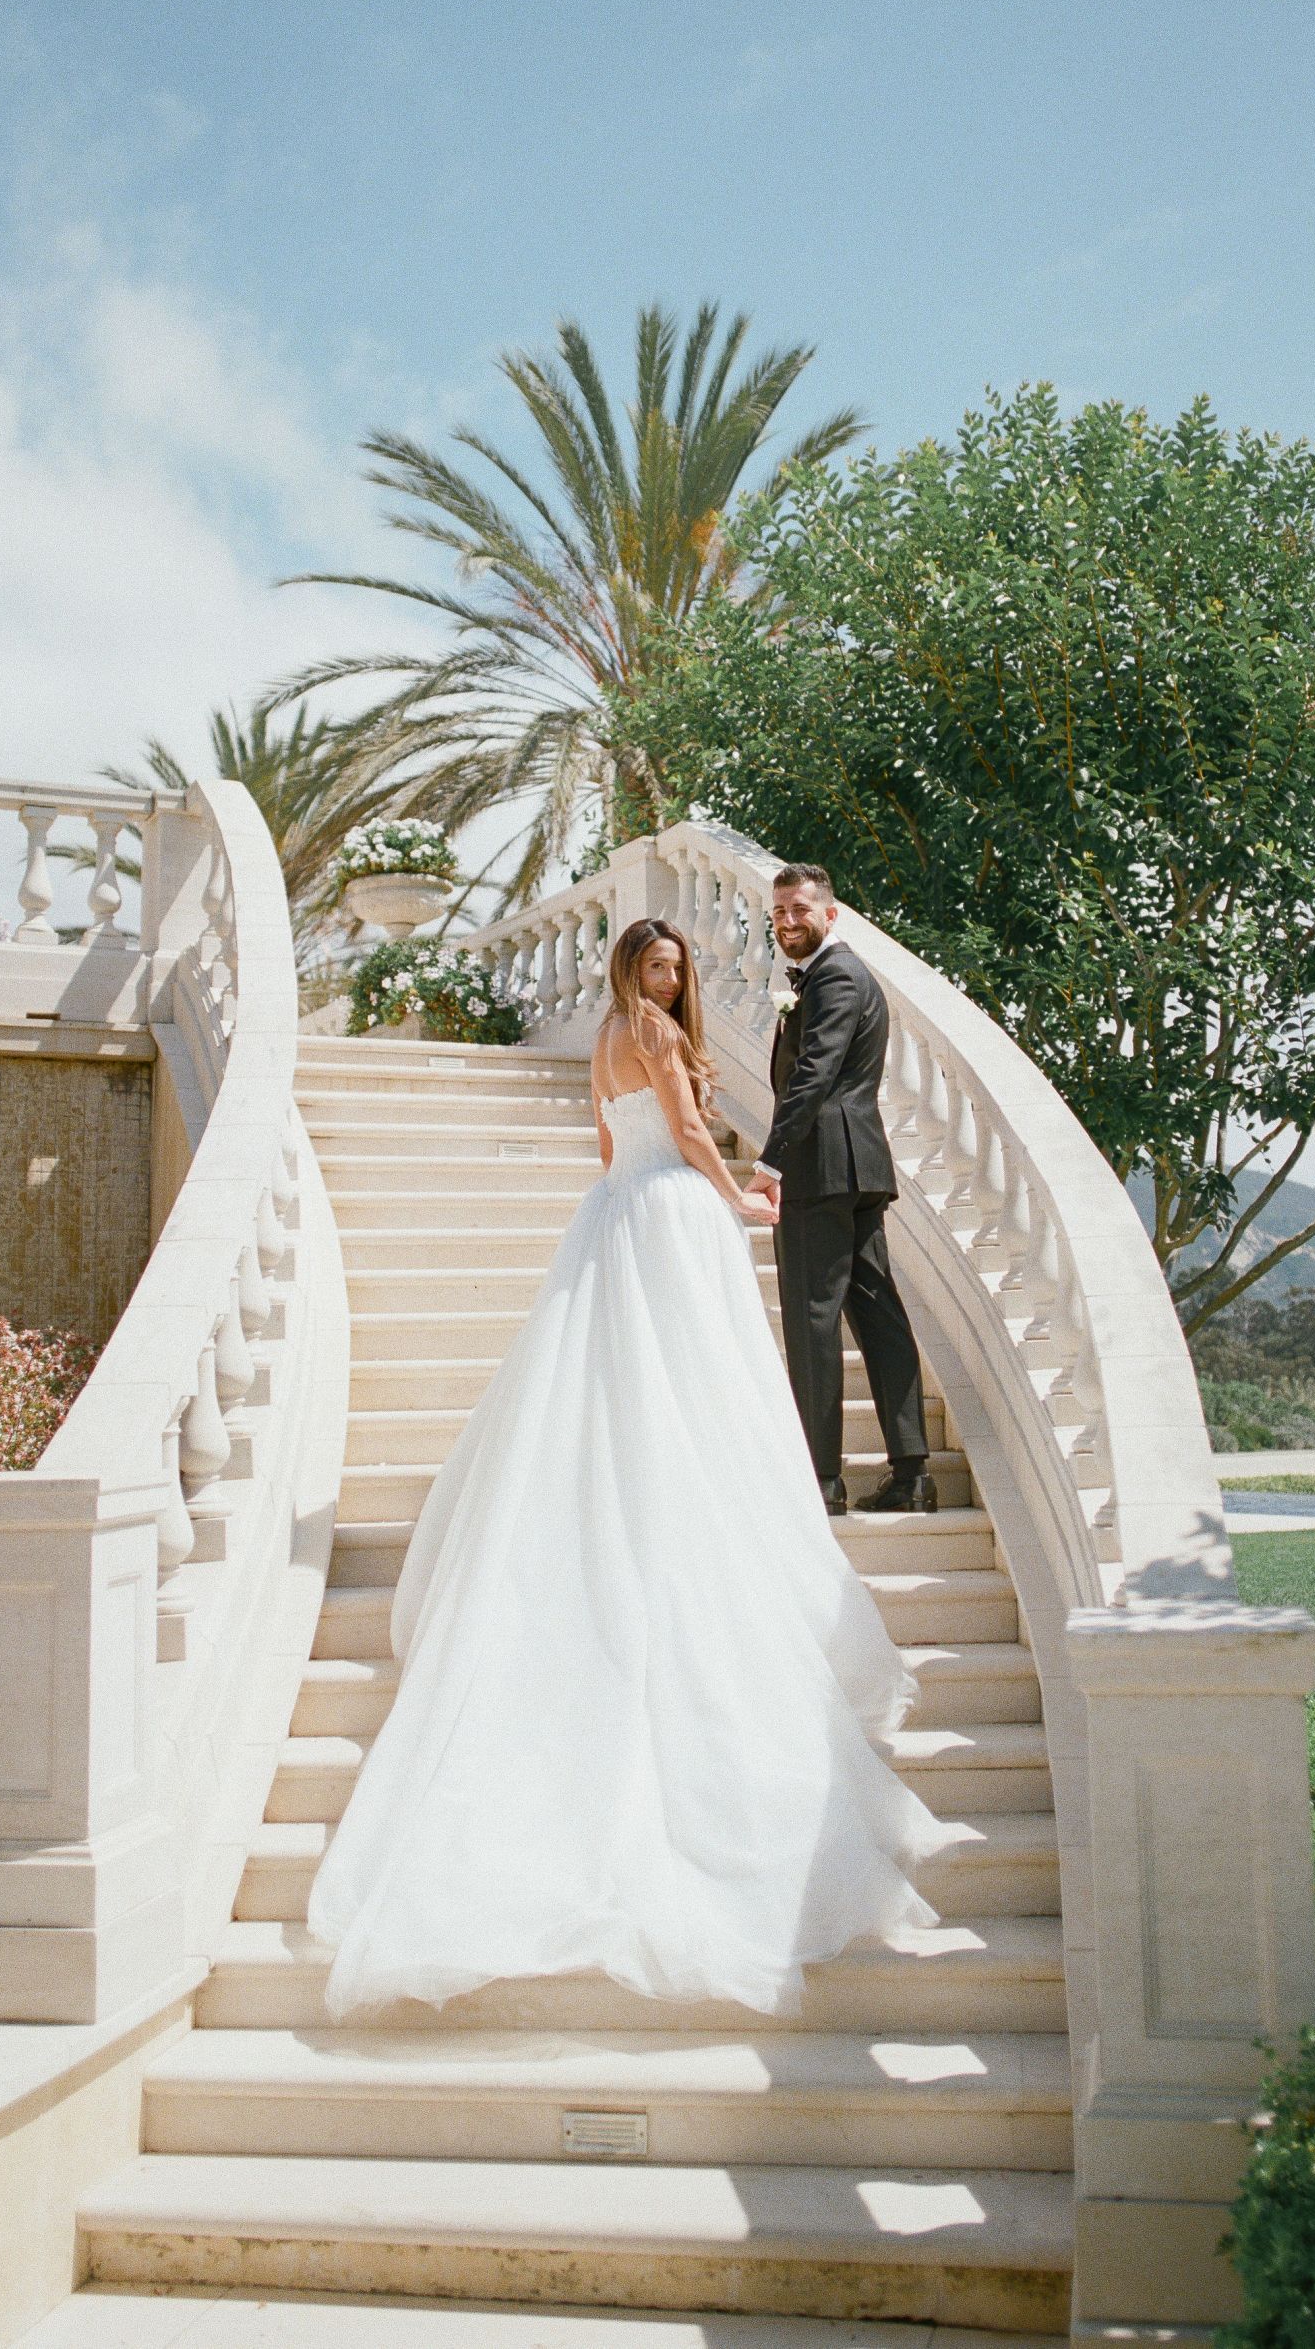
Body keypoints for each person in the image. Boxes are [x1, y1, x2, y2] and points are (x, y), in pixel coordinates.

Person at [306, 917, 955, 2020]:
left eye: (679, 966)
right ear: (632, 971)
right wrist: (739, 1195)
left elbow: (610, 1148)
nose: (675, 978)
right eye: (662, 964)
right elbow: (692, 1135)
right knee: (693, 1385)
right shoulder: (650, 1029)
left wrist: (669, 1178)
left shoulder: (608, 1035)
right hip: (667, 1215)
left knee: (621, 1383)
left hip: (614, 1215)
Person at [745, 865, 936, 1519]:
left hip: (819, 1169)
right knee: (878, 1314)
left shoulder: (835, 975)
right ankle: (912, 1475)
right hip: (857, 1171)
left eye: (799, 908)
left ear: (832, 913)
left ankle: (822, 1480)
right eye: (778, 912)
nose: (787, 921)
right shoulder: (833, 975)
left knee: (812, 1321)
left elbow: (815, 1073)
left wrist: (770, 1161)